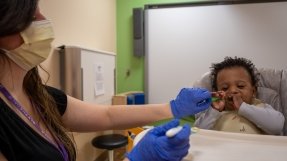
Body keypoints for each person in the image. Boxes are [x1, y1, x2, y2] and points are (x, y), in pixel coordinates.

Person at [0, 1, 212, 161]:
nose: (44, 19)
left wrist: (173, 108)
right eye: (31, 14)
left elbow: (107, 115)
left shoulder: (41, 96)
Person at [194, 56, 285, 135]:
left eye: (240, 86)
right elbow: (197, 133)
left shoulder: (261, 108)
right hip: (222, 153)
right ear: (217, 93)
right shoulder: (215, 114)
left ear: (253, 91)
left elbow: (277, 126)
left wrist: (243, 107)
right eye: (225, 88)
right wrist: (213, 112)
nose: (233, 90)